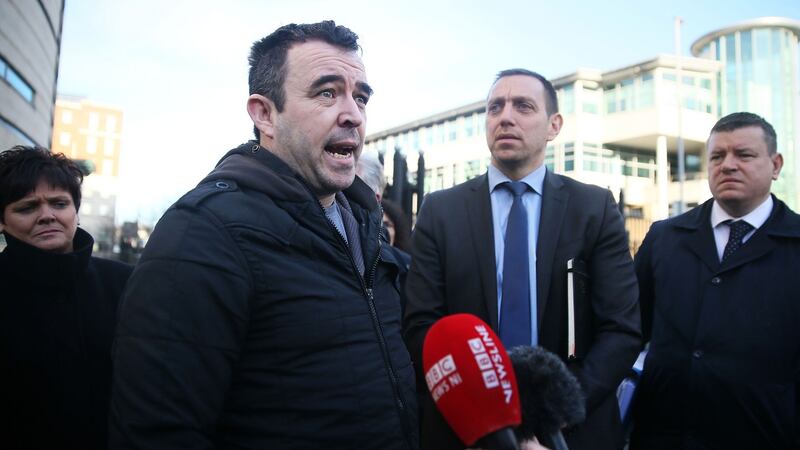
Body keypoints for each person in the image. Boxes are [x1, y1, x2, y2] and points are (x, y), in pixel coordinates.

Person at [109, 21, 418, 449]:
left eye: (360, 96)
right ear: (264, 114)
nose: (353, 114)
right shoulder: (201, 234)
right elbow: (157, 431)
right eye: (327, 92)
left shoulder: (367, 229)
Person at [404, 69, 641, 450]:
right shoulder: (440, 211)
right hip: (465, 430)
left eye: (523, 106)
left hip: (573, 430)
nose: (505, 117)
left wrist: (553, 415)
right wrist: (485, 418)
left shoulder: (593, 208)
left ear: (554, 125)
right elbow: (420, 326)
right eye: (495, 107)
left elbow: (621, 329)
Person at [630, 112, 800, 449]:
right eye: (717, 156)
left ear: (776, 165)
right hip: (662, 437)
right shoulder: (665, 238)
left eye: (744, 155)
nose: (728, 165)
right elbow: (629, 330)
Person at [0, 146, 132, 450]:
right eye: (27, 207)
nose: (47, 216)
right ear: (3, 221)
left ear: (75, 211)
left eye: (59, 203)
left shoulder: (124, 283)